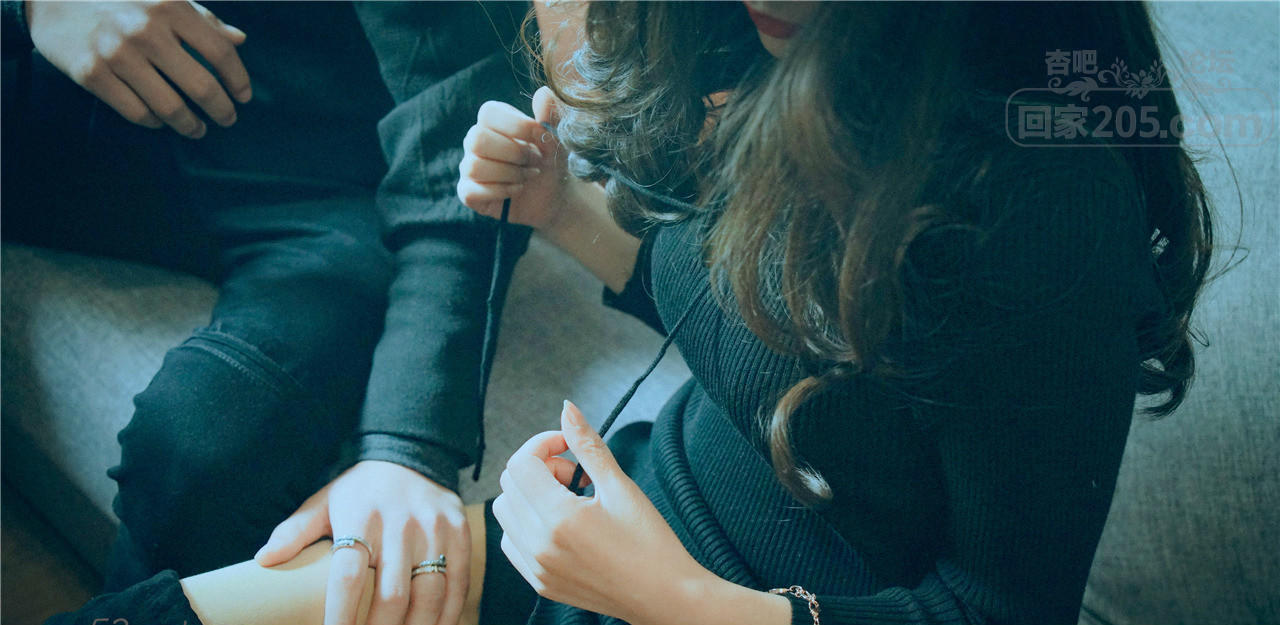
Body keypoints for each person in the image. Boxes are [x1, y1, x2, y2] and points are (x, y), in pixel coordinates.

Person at [28, 2, 1216, 625]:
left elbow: (1000, 609)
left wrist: (675, 601)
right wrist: (561, 209)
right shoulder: (781, 63)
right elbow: (769, 324)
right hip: (596, 546)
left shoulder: (1038, 195)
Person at [3, 2, 532, 625]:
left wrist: (409, 446)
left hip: (330, 192)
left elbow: (459, 152)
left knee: (200, 444)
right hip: (77, 102)